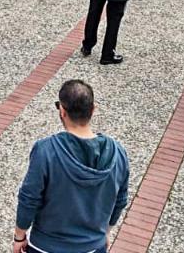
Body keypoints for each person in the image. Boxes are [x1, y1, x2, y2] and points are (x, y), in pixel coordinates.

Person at [11, 80, 129, 253]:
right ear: (93, 109)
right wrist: (104, 233)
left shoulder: (46, 150)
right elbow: (120, 200)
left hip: (46, 246)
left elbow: (29, 198)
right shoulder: (118, 152)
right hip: (93, 246)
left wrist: (19, 236)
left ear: (62, 111)